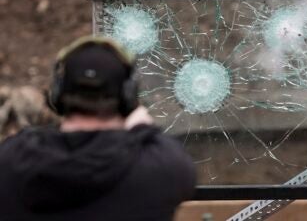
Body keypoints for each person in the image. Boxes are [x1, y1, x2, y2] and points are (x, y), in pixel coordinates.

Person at [0, 37, 196, 221]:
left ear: (58, 94)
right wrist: (141, 126)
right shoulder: (159, 169)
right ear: (128, 98)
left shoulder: (12, 162)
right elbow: (177, 161)